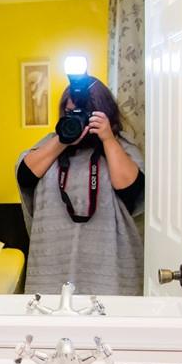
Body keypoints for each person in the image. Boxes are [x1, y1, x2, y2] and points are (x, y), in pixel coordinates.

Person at [15, 76, 144, 295]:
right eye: (69, 112)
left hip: (108, 268)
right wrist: (63, 139)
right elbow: (25, 176)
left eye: (86, 114)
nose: (78, 119)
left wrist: (107, 139)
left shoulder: (120, 147)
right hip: (52, 264)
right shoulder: (51, 143)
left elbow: (131, 190)